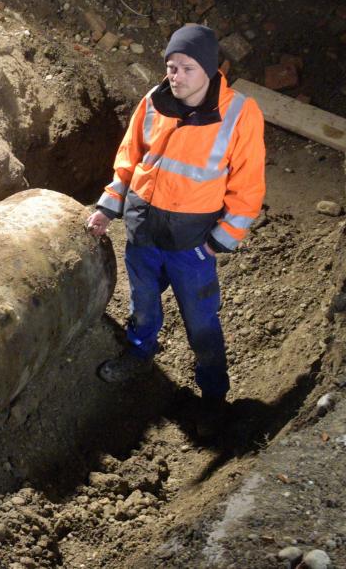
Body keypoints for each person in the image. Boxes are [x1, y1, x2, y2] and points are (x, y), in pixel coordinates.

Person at [86, 24, 266, 437]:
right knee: (144, 304)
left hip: (191, 245)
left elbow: (249, 185)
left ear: (208, 69)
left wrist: (219, 242)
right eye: (171, 66)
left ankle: (214, 398)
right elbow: (129, 159)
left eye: (186, 68)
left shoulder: (239, 113)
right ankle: (139, 354)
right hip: (144, 232)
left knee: (201, 323)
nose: (176, 76)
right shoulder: (153, 101)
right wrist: (108, 208)